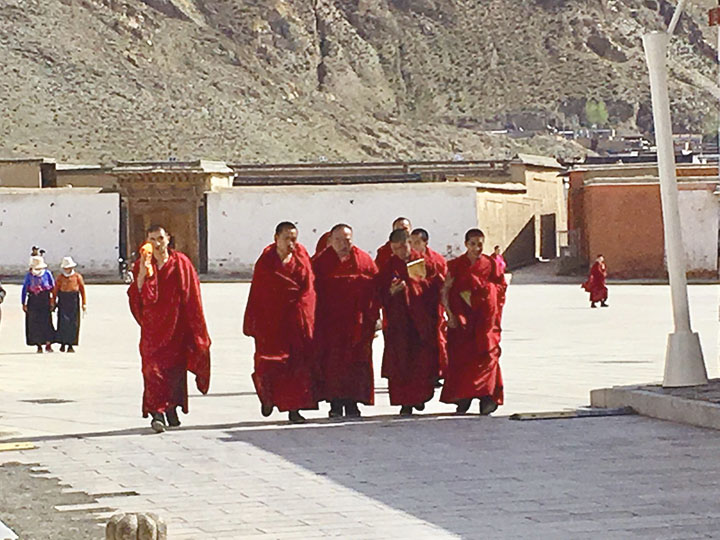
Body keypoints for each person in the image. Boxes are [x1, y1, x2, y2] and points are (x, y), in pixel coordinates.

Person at [128, 225, 211, 433]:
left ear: (168, 239)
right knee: (152, 370)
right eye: (152, 239)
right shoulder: (143, 264)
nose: (157, 243)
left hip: (176, 327)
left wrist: (196, 327)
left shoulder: (181, 263)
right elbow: (136, 295)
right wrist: (141, 273)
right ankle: (157, 412)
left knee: (174, 371)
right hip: (153, 329)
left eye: (160, 238)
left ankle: (171, 407)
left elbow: (193, 296)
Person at [244, 222, 318, 424]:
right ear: (276, 238)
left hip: (294, 319)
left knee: (296, 364)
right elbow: (258, 292)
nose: (291, 243)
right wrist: (254, 321)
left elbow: (309, 288)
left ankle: (294, 408)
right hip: (270, 320)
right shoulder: (266, 261)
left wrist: (304, 313)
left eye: (294, 238)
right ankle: (268, 397)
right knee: (268, 363)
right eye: (286, 238)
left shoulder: (302, 258)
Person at [313, 224, 379, 418]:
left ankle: (353, 402)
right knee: (332, 364)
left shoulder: (363, 260)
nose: (343, 244)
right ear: (330, 240)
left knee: (356, 363)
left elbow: (375, 289)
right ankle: (335, 403)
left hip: (356, 323)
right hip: (330, 325)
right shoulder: (320, 262)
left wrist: (374, 319)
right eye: (339, 240)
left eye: (347, 240)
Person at [377, 228, 442, 416]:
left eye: (403, 247)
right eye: (395, 248)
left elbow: (433, 287)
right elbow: (379, 291)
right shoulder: (389, 265)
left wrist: (412, 286)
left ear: (409, 244)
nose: (400, 252)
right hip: (398, 324)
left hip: (420, 322)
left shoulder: (421, 262)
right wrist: (391, 291)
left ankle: (419, 397)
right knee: (400, 364)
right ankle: (405, 402)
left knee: (421, 363)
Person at [440, 228, 504, 416]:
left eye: (480, 244)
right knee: (462, 359)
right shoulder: (455, 265)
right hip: (462, 321)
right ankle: (463, 396)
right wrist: (450, 315)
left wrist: (486, 293)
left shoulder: (491, 264)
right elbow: (446, 291)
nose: (477, 248)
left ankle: (487, 398)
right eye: (473, 244)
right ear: (466, 244)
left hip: (484, 320)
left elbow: (500, 288)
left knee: (487, 356)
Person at [410, 228, 448, 383]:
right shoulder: (410, 259)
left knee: (438, 339)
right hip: (416, 306)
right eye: (411, 243)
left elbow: (444, 283)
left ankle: (439, 370)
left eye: (417, 243)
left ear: (426, 243)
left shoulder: (437, 260)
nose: (413, 246)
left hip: (434, 307)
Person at [22, 256, 56, 353]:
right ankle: (39, 345)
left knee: (46, 321)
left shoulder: (47, 274)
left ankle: (48, 344)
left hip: (44, 299)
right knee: (34, 323)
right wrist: (23, 303)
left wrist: (53, 300)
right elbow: (24, 289)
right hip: (33, 300)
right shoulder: (29, 275)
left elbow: (53, 287)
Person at [53, 257, 87, 353]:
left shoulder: (77, 277)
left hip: (73, 300)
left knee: (73, 323)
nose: (67, 270)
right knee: (63, 322)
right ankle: (63, 343)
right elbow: (55, 290)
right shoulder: (60, 278)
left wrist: (84, 303)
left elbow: (82, 290)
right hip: (63, 300)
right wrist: (53, 301)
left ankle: (71, 344)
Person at [490, 245, 509, 321]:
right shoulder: (492, 258)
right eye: (497, 250)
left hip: (501, 277)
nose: (499, 251)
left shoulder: (500, 257)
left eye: (500, 250)